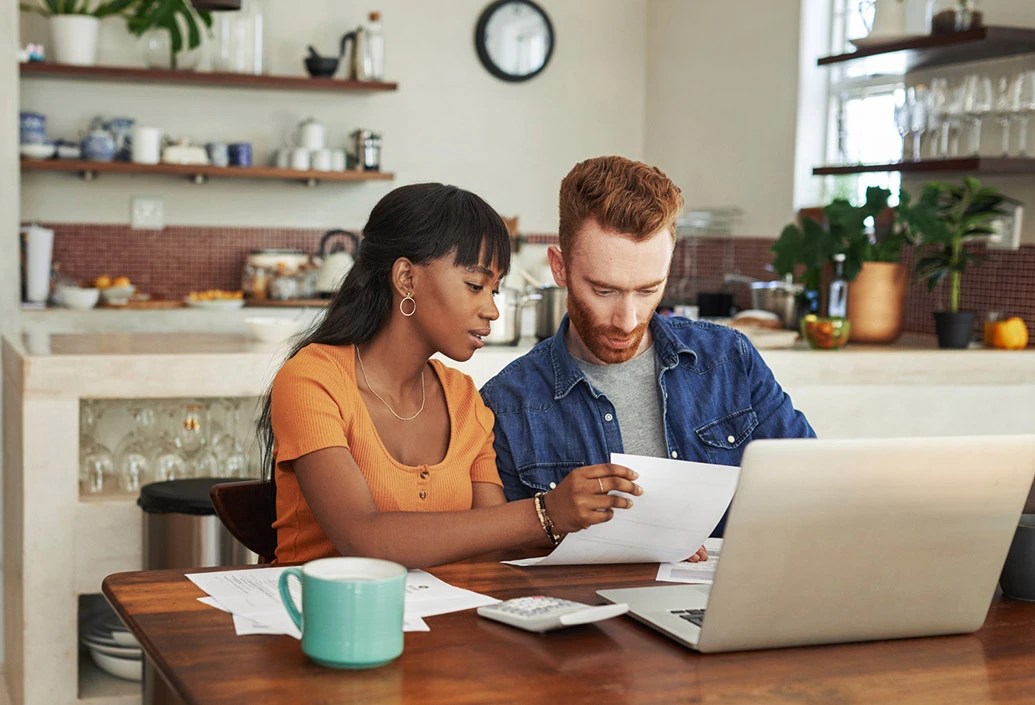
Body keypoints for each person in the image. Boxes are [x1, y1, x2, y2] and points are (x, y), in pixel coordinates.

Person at [260, 183, 644, 569]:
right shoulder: (313, 380)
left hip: (445, 622)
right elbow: (363, 538)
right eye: (476, 285)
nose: (491, 309)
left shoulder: (464, 399)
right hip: (318, 619)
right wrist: (547, 511)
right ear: (406, 279)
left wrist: (639, 541)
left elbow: (496, 543)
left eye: (495, 289)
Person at [480, 156, 816, 541]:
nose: (627, 319)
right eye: (603, 290)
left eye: (648, 290)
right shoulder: (506, 403)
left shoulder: (729, 359)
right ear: (559, 267)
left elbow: (808, 483)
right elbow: (503, 559)